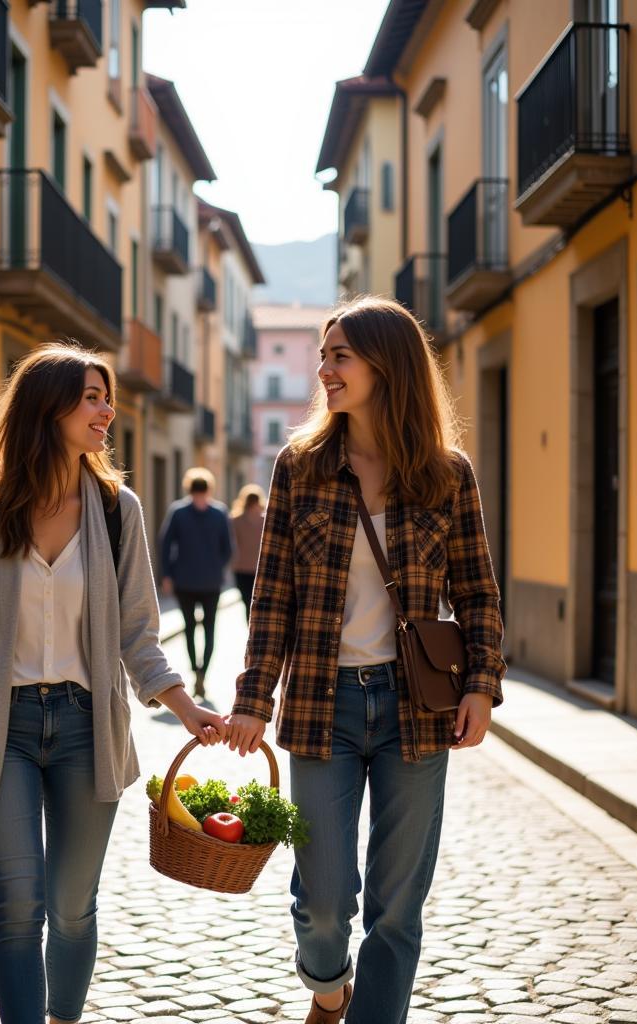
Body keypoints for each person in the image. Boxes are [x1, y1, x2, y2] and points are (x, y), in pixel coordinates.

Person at [0, 343, 227, 1024]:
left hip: (89, 730)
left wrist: (185, 706)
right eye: (91, 396)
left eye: (104, 396)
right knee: (20, 907)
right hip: (7, 730)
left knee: (72, 909)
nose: (106, 410)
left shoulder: (119, 511)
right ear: (47, 406)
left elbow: (139, 634)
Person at [225, 297, 506, 1024]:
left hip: (418, 707)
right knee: (323, 901)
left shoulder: (447, 474)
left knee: (398, 905)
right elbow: (273, 596)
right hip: (324, 703)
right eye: (323, 355)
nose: (323, 370)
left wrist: (481, 685)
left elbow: (477, 590)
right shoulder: (300, 469)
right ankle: (329, 986)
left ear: (388, 365)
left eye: (338, 356)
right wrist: (254, 699)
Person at [158, 467, 233, 698]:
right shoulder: (219, 513)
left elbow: (164, 544)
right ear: (209, 488)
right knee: (210, 629)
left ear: (188, 488)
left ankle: (195, 671)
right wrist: (216, 567)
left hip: (185, 581)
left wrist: (167, 575)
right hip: (211, 582)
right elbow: (228, 549)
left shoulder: (178, 512)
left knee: (189, 628)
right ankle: (203, 673)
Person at [230, 483, 266, 621]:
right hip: (251, 569)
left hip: (247, 569)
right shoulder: (236, 520)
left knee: (249, 604)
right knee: (253, 604)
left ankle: (252, 630)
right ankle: (253, 631)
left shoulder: (236, 520)